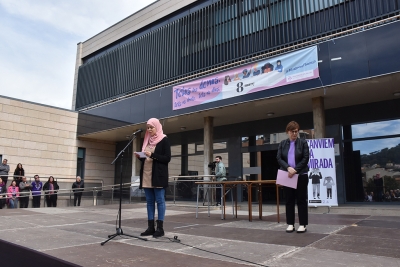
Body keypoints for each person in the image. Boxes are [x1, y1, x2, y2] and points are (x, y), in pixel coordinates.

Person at [135, 118, 171, 238]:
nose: (149, 130)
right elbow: (146, 158)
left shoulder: (164, 139)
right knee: (150, 202)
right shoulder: (147, 141)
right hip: (146, 175)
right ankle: (151, 227)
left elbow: (167, 158)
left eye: (151, 127)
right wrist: (140, 156)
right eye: (148, 128)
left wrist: (153, 155)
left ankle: (160, 228)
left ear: (157, 127)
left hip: (158, 176)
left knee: (160, 201)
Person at [277, 121, 310, 233]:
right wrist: (288, 168)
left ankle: (303, 224)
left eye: (296, 131)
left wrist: (295, 170)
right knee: (289, 200)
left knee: (301, 200)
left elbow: (305, 158)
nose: (295, 134)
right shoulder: (282, 144)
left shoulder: (303, 143)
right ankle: (290, 224)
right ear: (288, 132)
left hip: (301, 175)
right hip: (288, 175)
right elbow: (279, 158)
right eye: (292, 131)